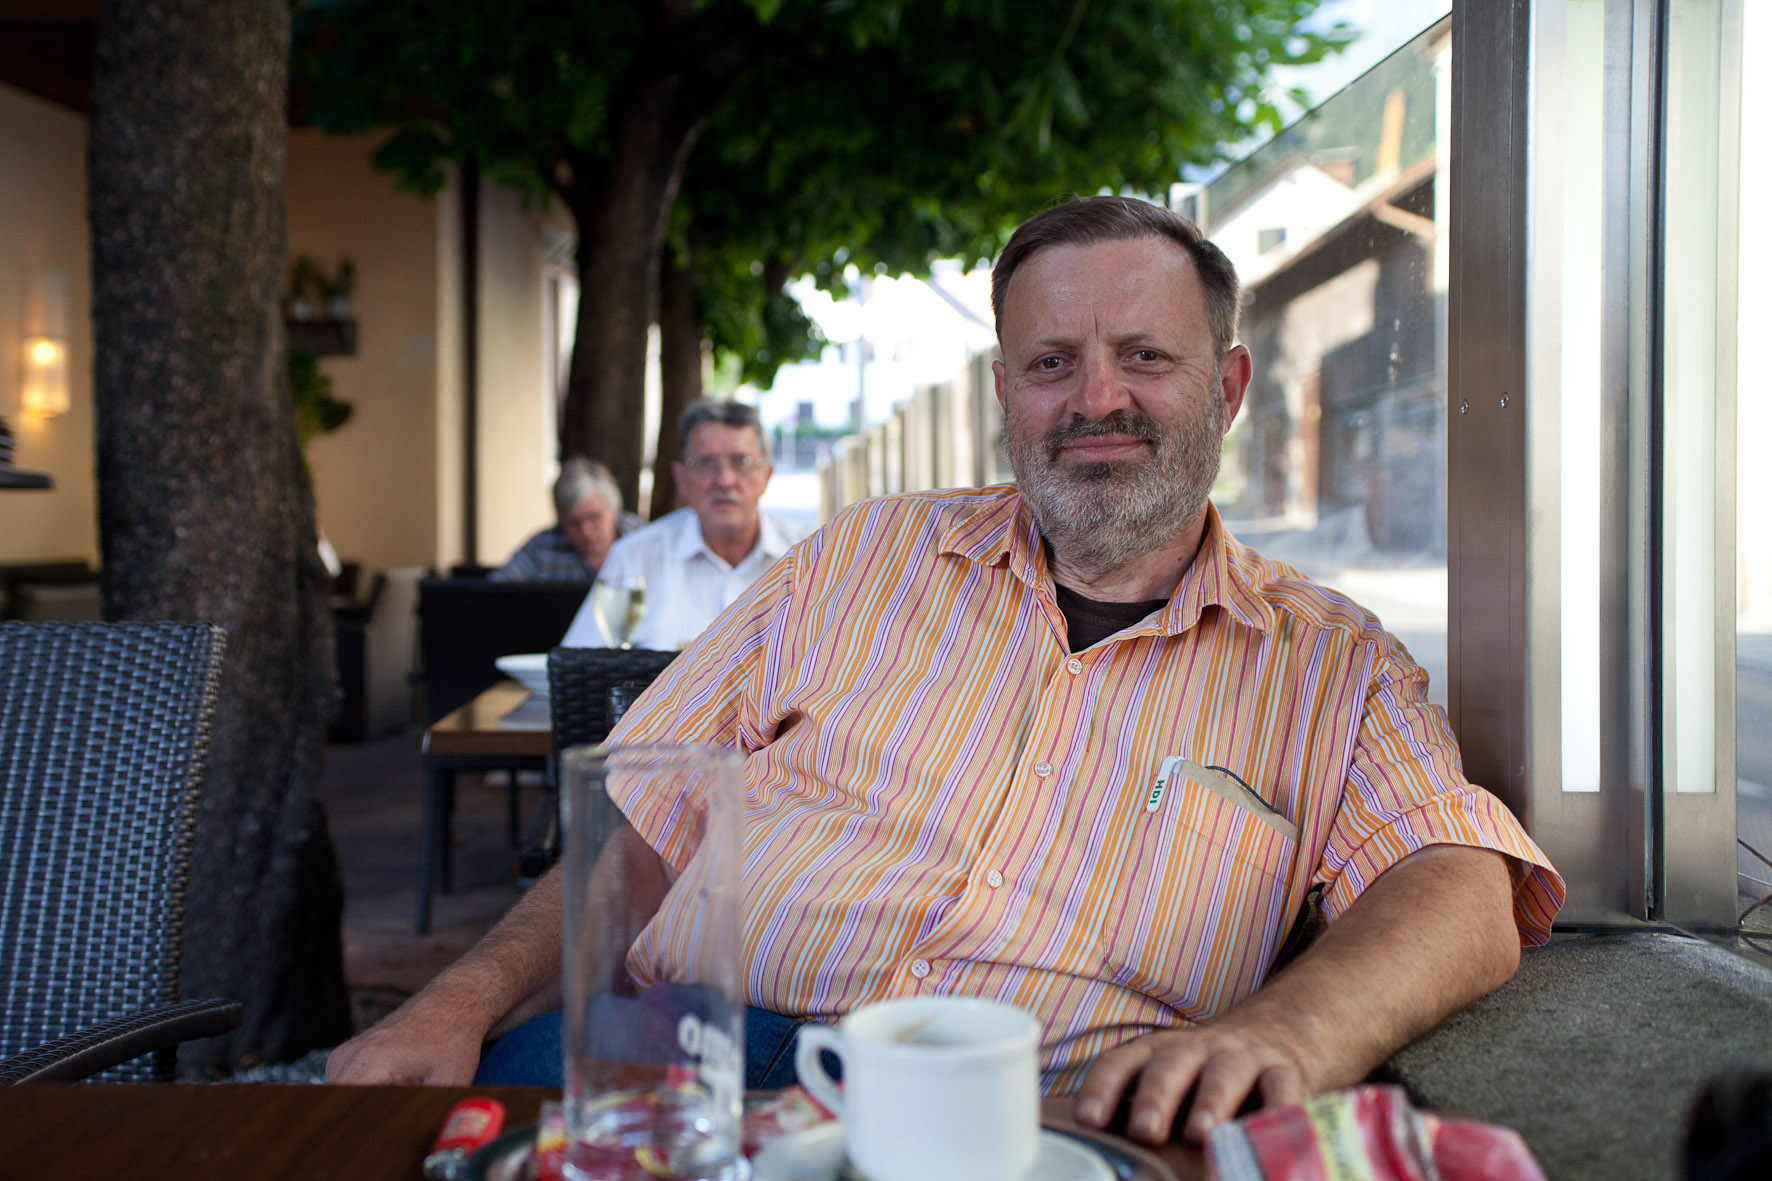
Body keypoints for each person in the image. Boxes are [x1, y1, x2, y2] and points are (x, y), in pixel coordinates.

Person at [328, 196, 1564, 1147]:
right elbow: (639, 820)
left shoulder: (1328, 662)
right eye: (1050, 362)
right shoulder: (859, 555)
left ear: (1227, 386)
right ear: (1003, 392)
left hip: (1024, 1123)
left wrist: (1284, 1031)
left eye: (1145, 355)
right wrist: (457, 999)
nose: (1095, 398)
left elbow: (1455, 881)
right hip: (682, 1066)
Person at [560, 398, 810, 650]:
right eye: (705, 463)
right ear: (680, 478)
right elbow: (578, 661)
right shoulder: (634, 558)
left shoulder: (812, 557)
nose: (724, 480)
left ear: (767, 475)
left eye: (741, 462)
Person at [490, 458, 639, 582]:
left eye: (594, 517)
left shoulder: (641, 538)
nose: (585, 530)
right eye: (574, 522)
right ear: (561, 520)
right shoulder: (541, 548)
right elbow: (497, 590)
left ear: (614, 509)